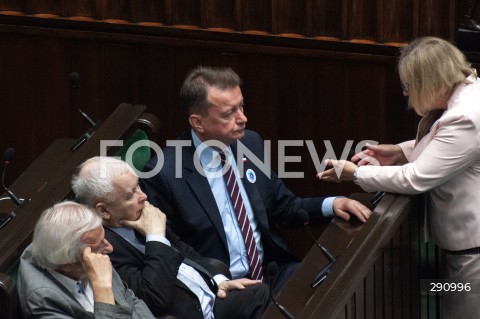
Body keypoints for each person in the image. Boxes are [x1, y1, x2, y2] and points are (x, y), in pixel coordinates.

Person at [140, 65, 372, 292]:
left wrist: (333, 204)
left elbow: (284, 207)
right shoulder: (165, 173)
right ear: (197, 122)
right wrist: (215, 278)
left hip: (272, 273)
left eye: (241, 106)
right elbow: (168, 247)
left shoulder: (249, 143)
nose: (243, 118)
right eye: (228, 114)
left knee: (341, 282)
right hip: (221, 288)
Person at [318, 36, 480, 318]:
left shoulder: (465, 116)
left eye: (408, 86)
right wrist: (399, 152)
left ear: (428, 80)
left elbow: (417, 178)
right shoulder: (464, 97)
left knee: (461, 313)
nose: (406, 94)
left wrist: (355, 173)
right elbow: (445, 147)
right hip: (463, 251)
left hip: (473, 255)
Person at [72, 156, 269, 319]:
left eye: (138, 186)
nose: (143, 196)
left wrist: (218, 279)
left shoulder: (142, 214)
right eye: (130, 195)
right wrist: (156, 237)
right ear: (104, 210)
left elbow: (184, 250)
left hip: (212, 297)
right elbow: (152, 299)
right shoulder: (105, 249)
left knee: (262, 293)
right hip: (191, 313)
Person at [16, 201, 155, 319]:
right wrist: (102, 288)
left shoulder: (87, 249)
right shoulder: (44, 301)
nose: (110, 248)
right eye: (99, 245)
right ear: (66, 265)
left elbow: (131, 300)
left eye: (104, 239)